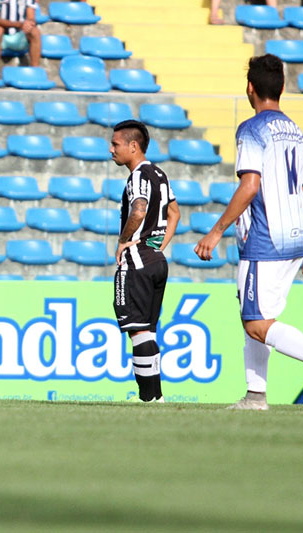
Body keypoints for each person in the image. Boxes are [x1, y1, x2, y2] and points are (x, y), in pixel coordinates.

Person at [194, 54, 303, 411]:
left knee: (255, 323)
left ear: (250, 88)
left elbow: (250, 185)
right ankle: (255, 397)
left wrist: (215, 231)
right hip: (295, 240)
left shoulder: (251, 129)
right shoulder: (297, 132)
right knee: (259, 316)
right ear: (281, 88)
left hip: (265, 241)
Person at [110, 120, 181, 403]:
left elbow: (138, 210)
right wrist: (157, 246)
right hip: (156, 260)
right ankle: (156, 399)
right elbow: (174, 213)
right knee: (147, 331)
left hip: (138, 261)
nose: (111, 149)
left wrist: (124, 241)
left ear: (133, 146)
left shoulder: (138, 176)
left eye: (115, 144)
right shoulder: (159, 174)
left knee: (138, 331)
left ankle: (149, 398)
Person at [0, 0, 41, 77]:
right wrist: (18, 24)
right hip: (0, 34)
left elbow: (31, 16)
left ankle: (35, 71)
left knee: (35, 32)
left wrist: (29, 23)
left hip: (20, 34)